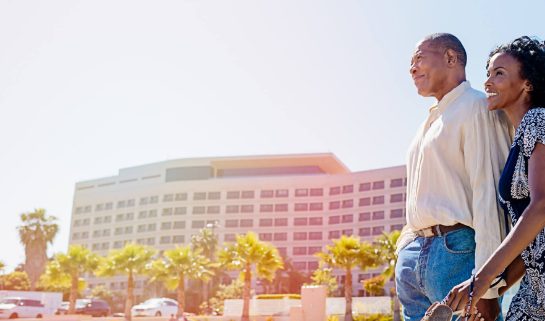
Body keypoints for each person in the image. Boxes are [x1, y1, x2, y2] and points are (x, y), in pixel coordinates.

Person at [395, 33, 512, 321]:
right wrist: (404, 249)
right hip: (413, 260)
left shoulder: (476, 106)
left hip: (456, 255)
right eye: (411, 62)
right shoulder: (428, 122)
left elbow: (489, 195)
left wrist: (488, 288)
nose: (412, 68)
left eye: (419, 57)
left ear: (450, 58)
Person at [446, 36, 545, 321]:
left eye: (499, 73)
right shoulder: (519, 136)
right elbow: (533, 241)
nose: (487, 82)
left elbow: (540, 207)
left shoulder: (537, 120)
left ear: (528, 83)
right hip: (534, 287)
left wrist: (480, 281)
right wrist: (491, 287)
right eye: (488, 73)